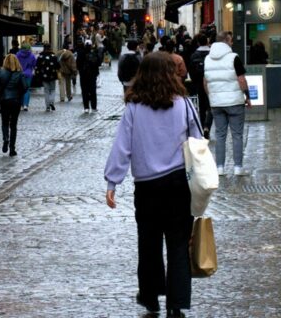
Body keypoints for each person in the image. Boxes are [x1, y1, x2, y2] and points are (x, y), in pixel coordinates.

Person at [104, 52, 200, 318]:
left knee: (149, 243)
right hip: (178, 184)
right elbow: (198, 140)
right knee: (179, 245)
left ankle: (150, 297)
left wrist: (113, 181)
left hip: (147, 186)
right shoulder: (183, 104)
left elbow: (122, 147)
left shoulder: (134, 107)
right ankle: (177, 303)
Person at [203, 31, 252, 176]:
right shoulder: (234, 58)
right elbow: (241, 79)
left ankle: (220, 168)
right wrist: (247, 96)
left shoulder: (207, 59)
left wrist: (212, 96)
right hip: (234, 102)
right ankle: (238, 167)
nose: (232, 43)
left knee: (220, 135)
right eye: (230, 41)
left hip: (216, 104)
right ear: (226, 41)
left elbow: (205, 82)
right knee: (237, 135)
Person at [0, 54, 29, 156]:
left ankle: (5, 139)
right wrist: (18, 93)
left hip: (4, 100)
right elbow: (25, 87)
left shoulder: (0, 73)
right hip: (15, 101)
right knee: (13, 125)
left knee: (4, 122)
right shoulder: (19, 73)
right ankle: (12, 149)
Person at [187, 33, 213, 138]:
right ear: (207, 42)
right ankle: (208, 126)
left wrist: (195, 82)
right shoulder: (212, 54)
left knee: (202, 106)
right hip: (211, 82)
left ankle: (202, 126)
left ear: (198, 42)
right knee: (211, 105)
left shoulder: (194, 55)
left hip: (199, 83)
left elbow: (191, 70)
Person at [77, 39, 102, 113]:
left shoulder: (81, 53)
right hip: (92, 75)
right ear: (91, 45)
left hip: (83, 75)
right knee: (93, 91)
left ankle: (86, 107)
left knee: (84, 91)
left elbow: (78, 64)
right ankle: (94, 107)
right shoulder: (94, 53)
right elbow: (98, 63)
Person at [34, 42, 61, 111]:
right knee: (52, 90)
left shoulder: (40, 56)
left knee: (46, 91)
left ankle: (47, 106)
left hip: (44, 76)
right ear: (50, 48)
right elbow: (58, 66)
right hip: (52, 75)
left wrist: (37, 75)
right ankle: (51, 101)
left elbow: (37, 67)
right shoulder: (53, 56)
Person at [15, 41, 37, 112]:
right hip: (28, 74)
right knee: (27, 90)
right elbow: (34, 65)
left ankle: (21, 104)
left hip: (19, 74)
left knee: (20, 90)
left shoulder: (17, 55)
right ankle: (25, 105)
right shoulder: (32, 55)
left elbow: (15, 64)